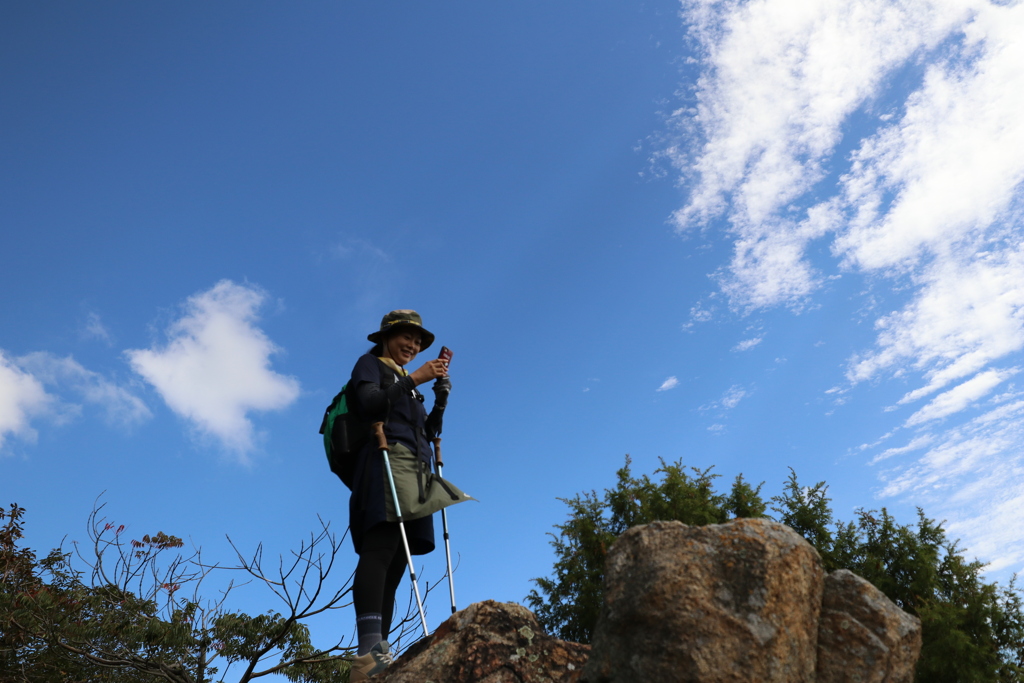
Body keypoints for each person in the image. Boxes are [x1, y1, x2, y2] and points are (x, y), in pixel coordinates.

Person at [346, 310, 471, 681]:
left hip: (416, 467)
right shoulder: (370, 364)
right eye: (407, 337)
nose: (413, 345)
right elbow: (369, 404)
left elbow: (427, 428)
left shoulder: (409, 383)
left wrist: (440, 399)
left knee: (399, 558)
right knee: (382, 547)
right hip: (386, 460)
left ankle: (380, 649)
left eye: (418, 342)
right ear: (386, 336)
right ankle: (367, 652)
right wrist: (415, 377)